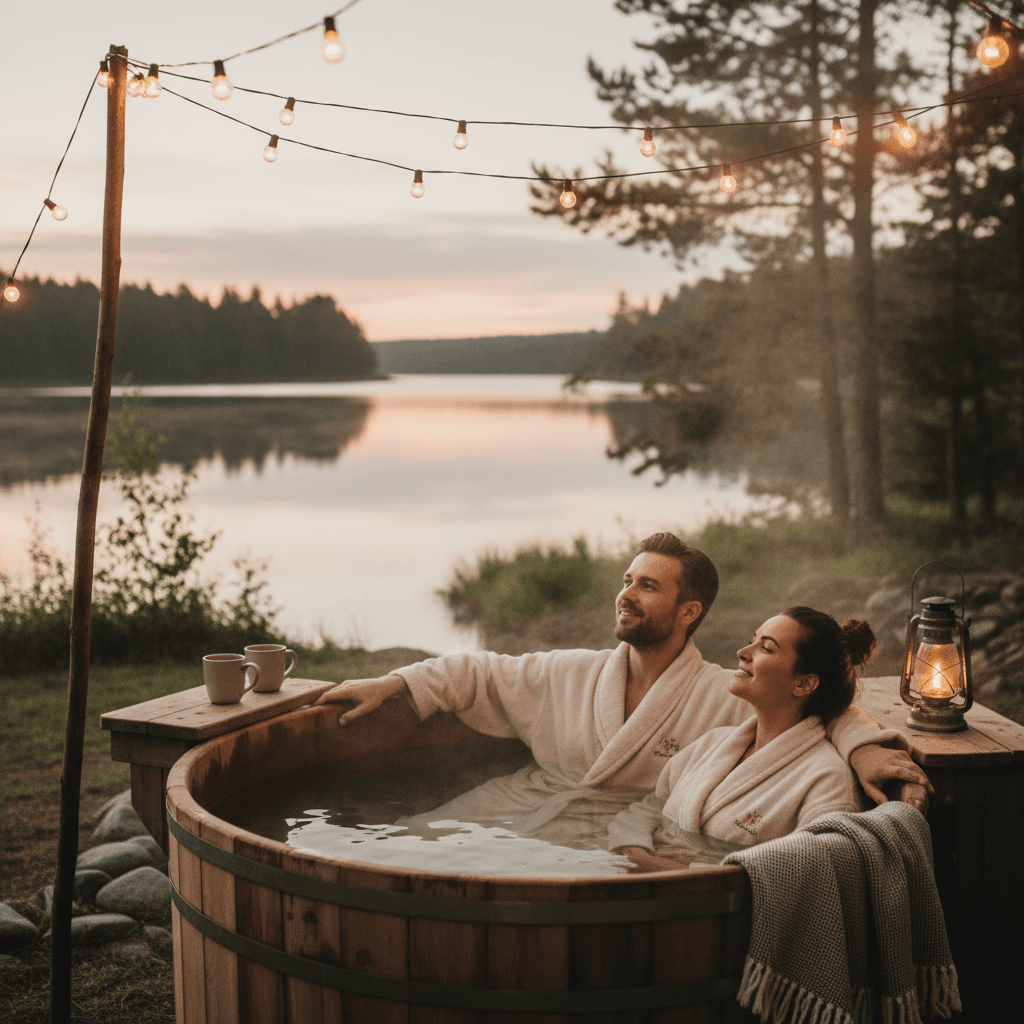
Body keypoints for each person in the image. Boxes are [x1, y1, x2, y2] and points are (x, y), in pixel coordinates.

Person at [315, 533, 930, 823]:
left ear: (688, 613)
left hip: (622, 831)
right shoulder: (571, 673)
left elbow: (828, 707)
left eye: (648, 586)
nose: (627, 595)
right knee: (406, 843)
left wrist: (866, 750)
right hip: (526, 805)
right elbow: (478, 673)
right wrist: (393, 684)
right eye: (627, 580)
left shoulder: (726, 694)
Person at [608, 607, 875, 871]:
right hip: (647, 882)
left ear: (803, 684)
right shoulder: (712, 744)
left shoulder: (826, 780)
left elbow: (805, 874)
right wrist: (636, 852)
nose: (743, 653)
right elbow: (650, 808)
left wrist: (671, 873)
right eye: (752, 641)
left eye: (766, 648)